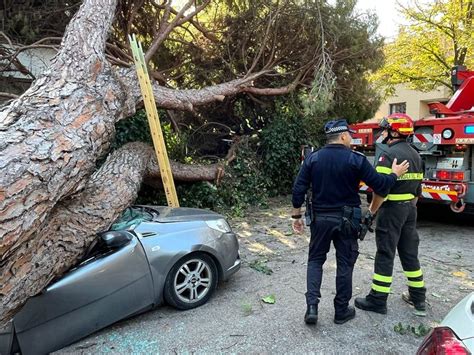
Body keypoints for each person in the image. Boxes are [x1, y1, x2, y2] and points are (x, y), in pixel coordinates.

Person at [291, 119, 409, 326]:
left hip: (320, 220)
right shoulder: (356, 160)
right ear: (343, 136)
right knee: (345, 263)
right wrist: (394, 174)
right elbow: (380, 186)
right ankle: (341, 310)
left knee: (315, 260)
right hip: (347, 221)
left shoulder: (313, 159)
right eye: (351, 135)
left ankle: (312, 307)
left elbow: (298, 189)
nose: (353, 139)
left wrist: (296, 216)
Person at [355, 113, 426, 316]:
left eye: (385, 129)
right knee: (409, 254)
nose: (383, 132)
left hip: (391, 211)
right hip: (410, 211)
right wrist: (408, 210)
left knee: (386, 253)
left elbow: (380, 190)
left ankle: (377, 300)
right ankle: (418, 297)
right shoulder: (416, 155)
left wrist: (371, 212)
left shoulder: (387, 155)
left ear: (394, 131)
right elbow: (417, 193)